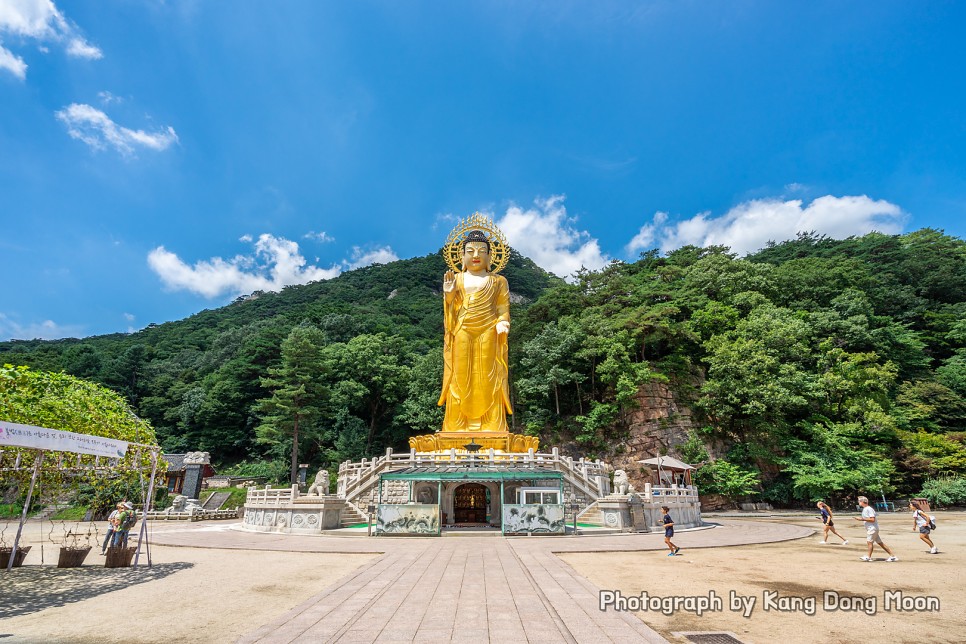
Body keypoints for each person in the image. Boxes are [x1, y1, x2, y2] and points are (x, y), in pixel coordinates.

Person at [438, 229, 512, 433]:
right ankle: (456, 425)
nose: (476, 255)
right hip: (462, 329)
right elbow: (450, 311)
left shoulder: (498, 281)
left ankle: (492, 425)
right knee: (460, 376)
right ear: (461, 256)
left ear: (490, 256)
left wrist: (503, 322)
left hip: (489, 328)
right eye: (470, 251)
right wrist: (449, 296)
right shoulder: (457, 280)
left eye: (482, 251)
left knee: (489, 374)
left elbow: (503, 308)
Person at [854, 496, 897, 561]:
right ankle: (892, 556)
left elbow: (872, 519)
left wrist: (861, 519)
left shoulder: (868, 509)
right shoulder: (866, 509)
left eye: (859, 501)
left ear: (863, 502)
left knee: (869, 542)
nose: (858, 502)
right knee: (880, 543)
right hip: (872, 528)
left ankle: (868, 557)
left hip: (872, 528)